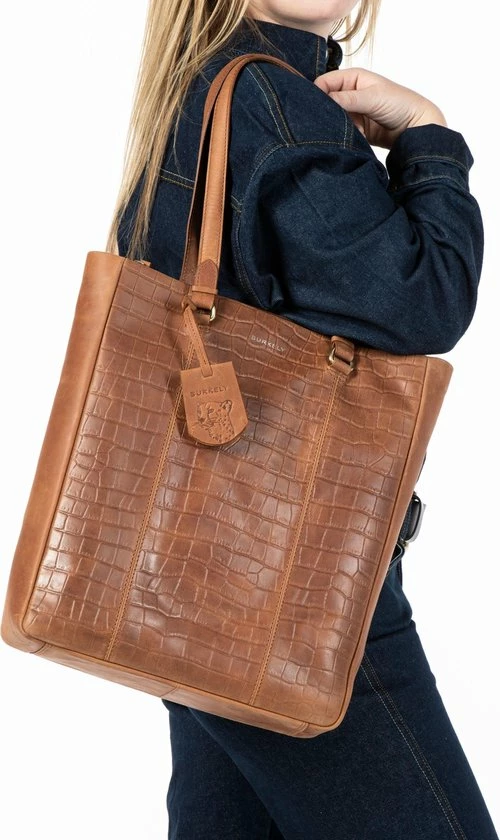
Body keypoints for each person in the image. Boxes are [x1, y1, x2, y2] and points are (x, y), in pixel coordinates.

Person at [108, 1, 498, 837]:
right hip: (291, 589)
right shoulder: (272, 102)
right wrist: (428, 135)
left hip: (189, 582)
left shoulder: (198, 88)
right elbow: (425, 299)